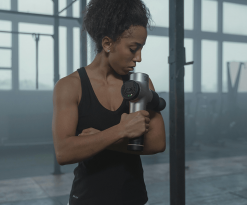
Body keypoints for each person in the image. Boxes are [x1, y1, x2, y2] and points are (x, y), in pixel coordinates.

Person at [52, 0, 166, 204]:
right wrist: (120, 131)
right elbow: (64, 151)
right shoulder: (70, 86)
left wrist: (100, 140)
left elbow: (157, 143)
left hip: (133, 197)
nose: (138, 57)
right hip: (88, 198)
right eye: (133, 48)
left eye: (141, 48)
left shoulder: (140, 83)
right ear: (107, 44)